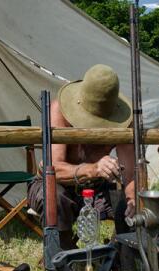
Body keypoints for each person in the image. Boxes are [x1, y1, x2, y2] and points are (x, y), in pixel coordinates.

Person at [28, 64, 136, 249]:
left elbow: (131, 175)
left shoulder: (125, 122)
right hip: (56, 185)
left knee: (127, 205)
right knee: (56, 198)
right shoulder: (58, 111)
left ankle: (122, 261)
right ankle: (63, 263)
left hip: (96, 189)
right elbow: (53, 169)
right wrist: (94, 168)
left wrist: (132, 199)